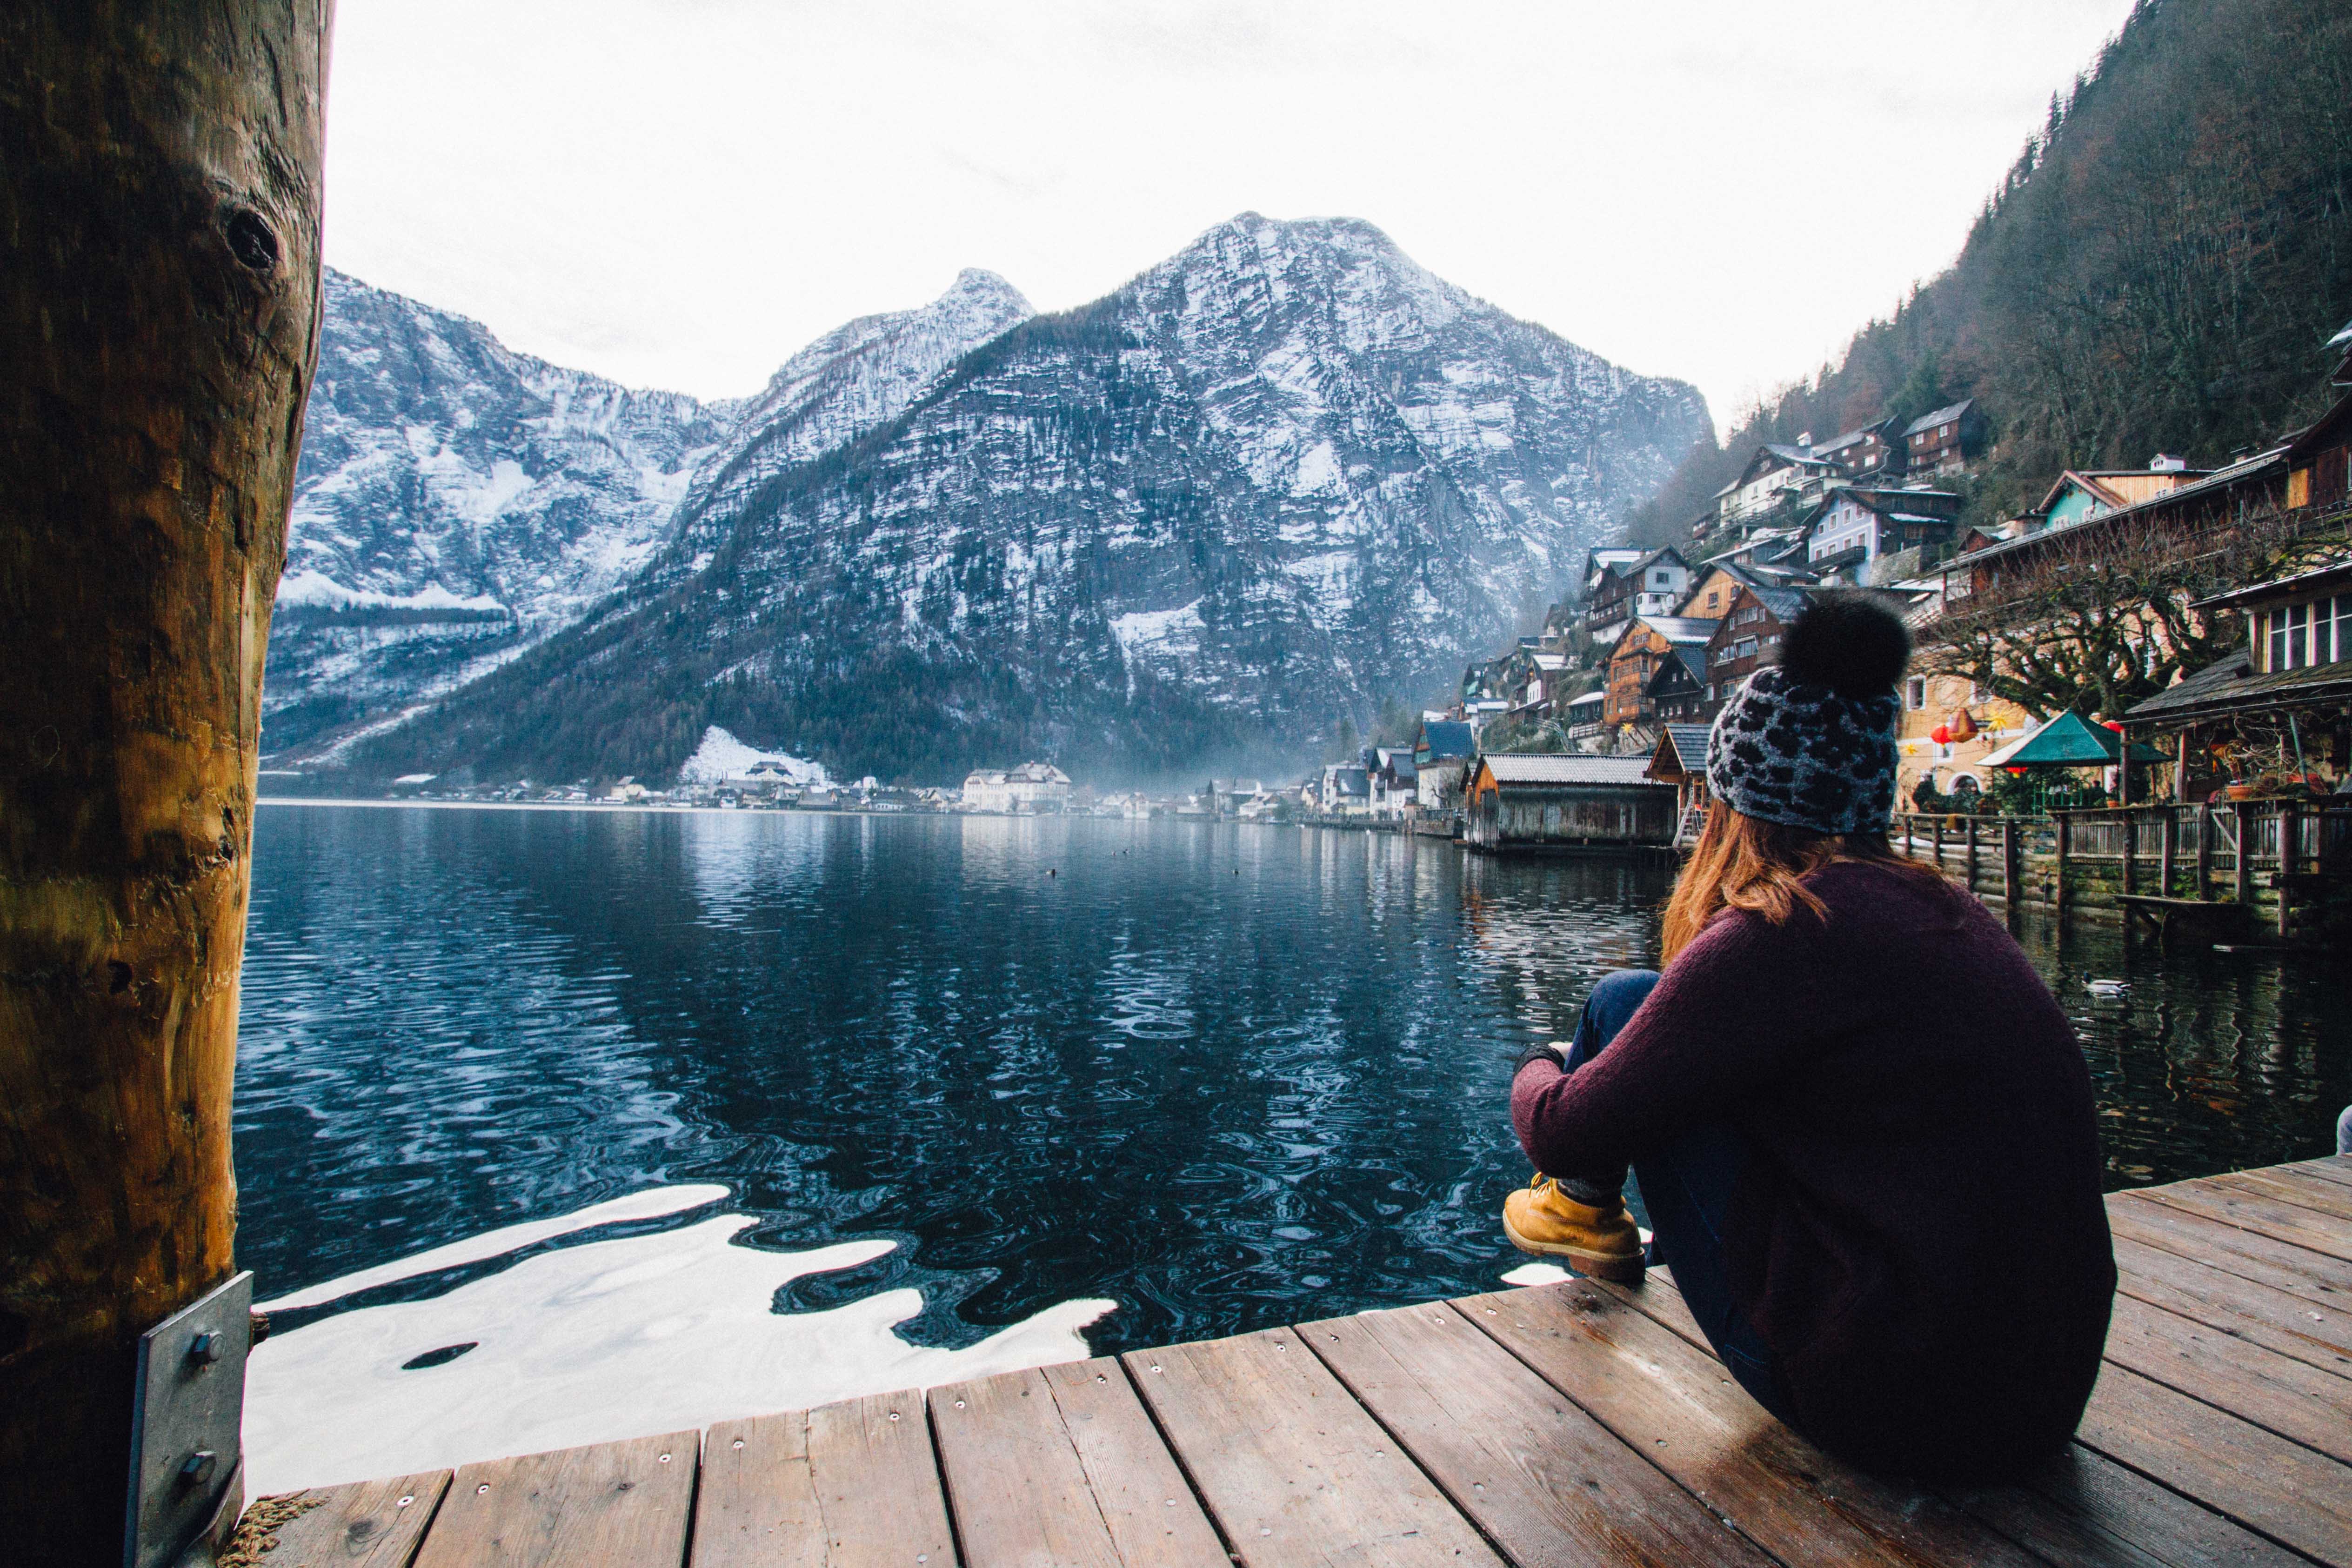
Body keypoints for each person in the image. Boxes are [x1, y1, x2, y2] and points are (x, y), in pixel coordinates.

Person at [1502, 595, 2115, 1480]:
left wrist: (1540, 1064)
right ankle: (1586, 1206)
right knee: (1638, 1000)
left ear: (1737, 806)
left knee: (1618, 1026)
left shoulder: (1780, 932)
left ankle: (1581, 1208)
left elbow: (1560, 1124)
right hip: (2043, 1394)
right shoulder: (1947, 913)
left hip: (1892, 1406)